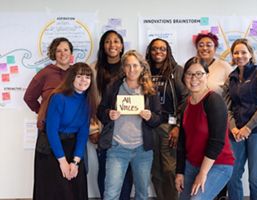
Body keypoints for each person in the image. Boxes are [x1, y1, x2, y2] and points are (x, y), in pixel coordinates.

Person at [97, 50, 161, 200]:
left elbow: (158, 118)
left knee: (142, 194)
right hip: (117, 147)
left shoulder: (150, 90)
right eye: (127, 66)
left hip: (143, 149)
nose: (131, 70)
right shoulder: (113, 87)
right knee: (111, 194)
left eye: (135, 65)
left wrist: (150, 116)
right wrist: (108, 114)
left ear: (142, 67)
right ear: (123, 68)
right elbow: (100, 111)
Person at [33, 62, 98, 200]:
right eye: (79, 76)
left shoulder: (88, 100)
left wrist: (75, 162)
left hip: (72, 146)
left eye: (87, 77)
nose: (83, 80)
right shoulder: (58, 97)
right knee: (57, 191)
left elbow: (82, 133)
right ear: (71, 78)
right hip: (51, 148)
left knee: (77, 188)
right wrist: (62, 162)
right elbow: (51, 130)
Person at [175, 57, 234, 200]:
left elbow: (217, 141)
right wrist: (180, 172)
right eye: (189, 74)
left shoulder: (214, 100)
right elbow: (182, 142)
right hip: (192, 164)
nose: (194, 78)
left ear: (207, 75)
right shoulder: (186, 105)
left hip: (218, 164)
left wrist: (202, 174)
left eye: (199, 73)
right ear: (184, 78)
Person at [224, 38, 257, 200]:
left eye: (243, 52)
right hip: (237, 132)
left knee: (255, 178)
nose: (240, 55)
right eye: (236, 52)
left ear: (251, 54)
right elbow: (227, 107)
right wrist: (233, 127)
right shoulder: (231, 77)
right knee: (232, 175)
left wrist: (248, 127)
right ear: (232, 55)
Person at [90, 30, 133, 199]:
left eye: (116, 41)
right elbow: (90, 101)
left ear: (122, 45)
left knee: (127, 172)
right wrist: (93, 129)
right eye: (108, 41)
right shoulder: (94, 69)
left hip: (129, 130)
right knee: (106, 170)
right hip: (104, 128)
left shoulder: (130, 67)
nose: (112, 45)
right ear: (102, 46)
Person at [145, 38, 188, 200]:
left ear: (168, 51)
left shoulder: (176, 70)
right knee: (154, 169)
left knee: (169, 169)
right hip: (149, 126)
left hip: (169, 126)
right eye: (155, 49)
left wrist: (178, 125)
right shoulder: (144, 71)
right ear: (149, 51)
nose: (158, 52)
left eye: (162, 49)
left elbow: (185, 98)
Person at [194, 32, 233, 200]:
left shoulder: (224, 67)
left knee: (217, 159)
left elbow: (232, 95)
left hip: (219, 122)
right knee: (201, 159)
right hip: (198, 122)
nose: (205, 48)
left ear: (215, 47)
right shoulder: (194, 66)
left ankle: (220, 196)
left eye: (209, 44)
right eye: (201, 44)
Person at [24, 37, 73, 117]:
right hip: (48, 125)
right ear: (54, 53)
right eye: (58, 51)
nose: (63, 54)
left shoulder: (76, 73)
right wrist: (42, 112)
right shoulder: (45, 73)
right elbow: (29, 97)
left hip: (72, 125)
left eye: (66, 50)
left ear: (71, 52)